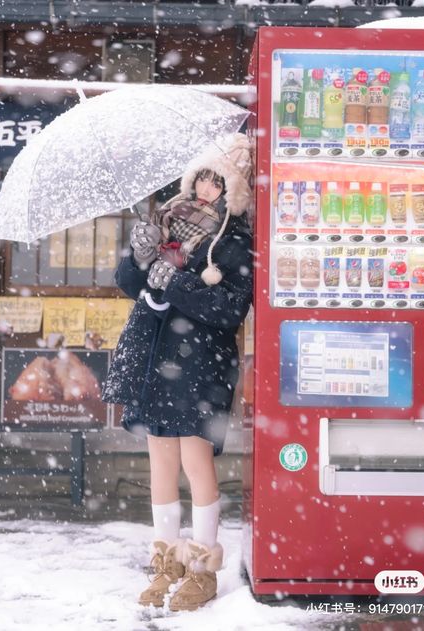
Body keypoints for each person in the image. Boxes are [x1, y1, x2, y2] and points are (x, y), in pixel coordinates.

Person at [102, 132, 253, 611]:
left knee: (195, 460)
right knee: (160, 461)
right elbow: (128, 284)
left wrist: (180, 281)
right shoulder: (164, 221)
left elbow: (231, 308)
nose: (207, 189)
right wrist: (139, 257)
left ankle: (203, 569)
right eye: (202, 179)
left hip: (200, 362)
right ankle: (166, 562)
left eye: (217, 182)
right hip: (152, 355)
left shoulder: (233, 239)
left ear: (230, 190)